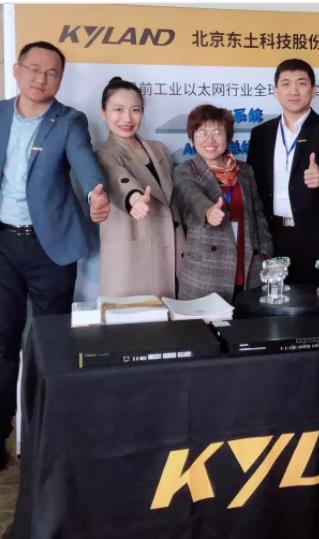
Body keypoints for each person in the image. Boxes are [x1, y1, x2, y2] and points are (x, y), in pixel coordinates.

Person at [0, 41, 110, 468]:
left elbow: (84, 162)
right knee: (3, 340)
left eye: (51, 72)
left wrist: (97, 192)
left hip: (50, 248)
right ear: (16, 70)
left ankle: (45, 431)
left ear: (61, 80)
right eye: (33, 68)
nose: (41, 78)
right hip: (3, 245)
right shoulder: (0, 114)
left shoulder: (68, 120)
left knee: (49, 343)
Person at [247, 58, 319, 285]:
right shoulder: (261, 133)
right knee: (273, 299)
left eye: (301, 83)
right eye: (286, 84)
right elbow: (253, 184)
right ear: (275, 91)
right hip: (271, 236)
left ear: (314, 89)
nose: (294, 91)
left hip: (314, 236)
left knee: (315, 301)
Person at [173, 104, 273, 302]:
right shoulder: (185, 171)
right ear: (192, 137)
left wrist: (265, 252)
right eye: (202, 132)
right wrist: (208, 210)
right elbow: (191, 195)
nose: (210, 140)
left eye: (217, 132)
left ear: (228, 136)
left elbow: (258, 214)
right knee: (204, 322)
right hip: (206, 271)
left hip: (248, 266)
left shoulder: (244, 171)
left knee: (247, 320)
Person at [97, 77, 184, 298]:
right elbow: (116, 177)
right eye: (118, 109)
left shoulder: (159, 149)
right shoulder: (104, 154)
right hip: (132, 259)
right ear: (103, 112)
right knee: (134, 317)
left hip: (173, 252)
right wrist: (134, 198)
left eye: (135, 110)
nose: (127, 118)